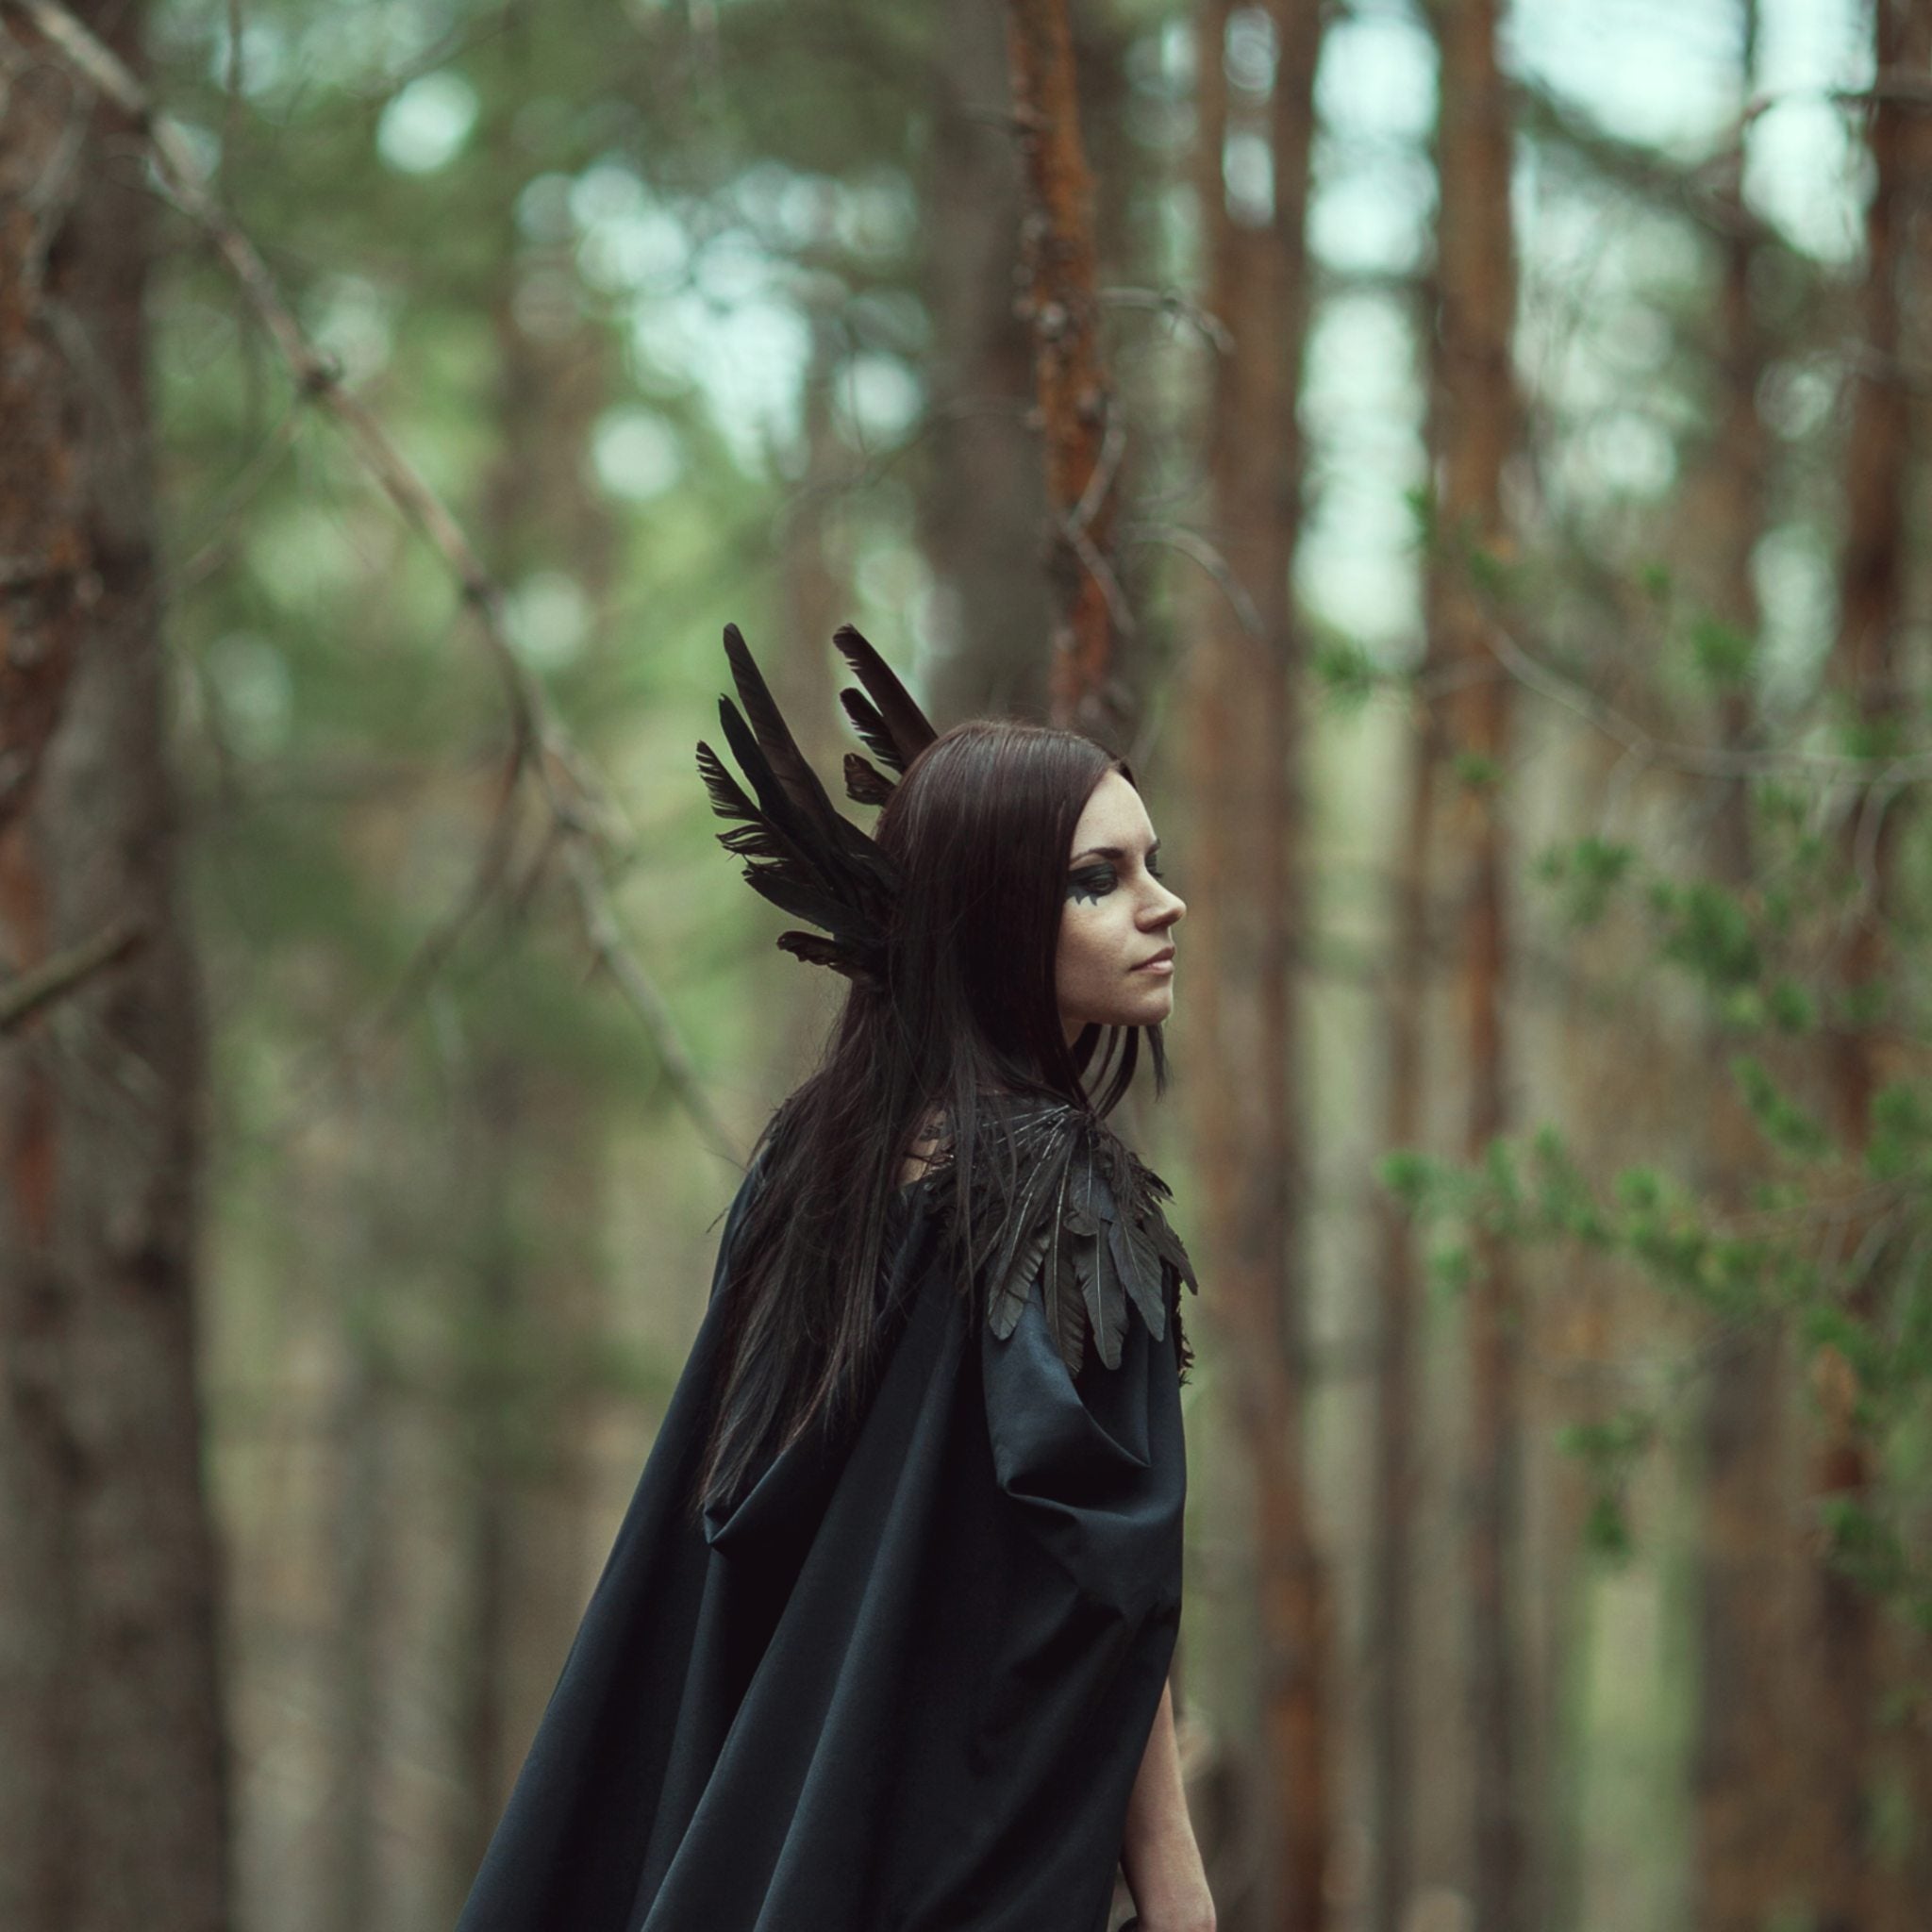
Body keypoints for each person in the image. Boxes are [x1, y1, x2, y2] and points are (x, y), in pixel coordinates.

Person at [454, 624, 1212, 1932]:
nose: (1165, 903)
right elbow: (1102, 1588)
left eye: (1153, 865)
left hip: (767, 1844)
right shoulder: (1058, 1193)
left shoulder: (815, 1170)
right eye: (1100, 878)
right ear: (992, 918)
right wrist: (1181, 1895)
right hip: (943, 1865)